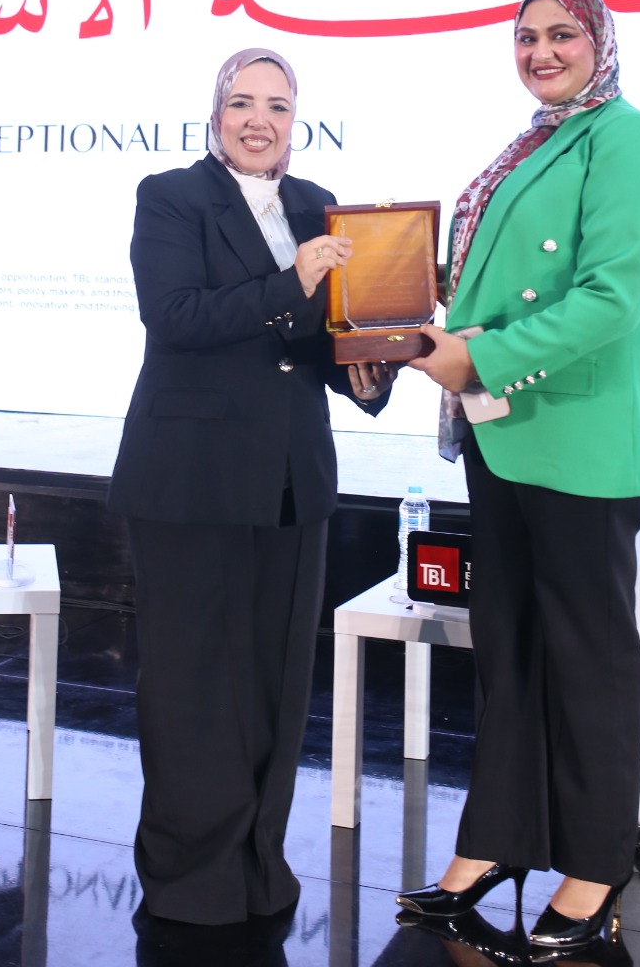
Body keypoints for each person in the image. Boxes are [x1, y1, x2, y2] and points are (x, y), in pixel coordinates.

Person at [395, 0, 640, 955]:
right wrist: (396, 297)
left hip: (579, 430)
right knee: (509, 647)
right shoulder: (534, 141)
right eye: (526, 36)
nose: (541, 50)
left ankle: (596, 864)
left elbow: (610, 298)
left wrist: (478, 358)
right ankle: (495, 841)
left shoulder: (628, 139)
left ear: (599, 42)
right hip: (508, 427)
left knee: (587, 656)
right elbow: (489, 279)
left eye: (562, 34)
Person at [109, 47, 393, 928]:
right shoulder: (170, 196)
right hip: (189, 482)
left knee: (277, 684)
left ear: (296, 118)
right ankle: (191, 885)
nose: (259, 120)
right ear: (216, 113)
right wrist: (293, 280)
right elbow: (177, 318)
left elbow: (320, 340)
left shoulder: (316, 204)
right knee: (193, 688)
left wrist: (370, 366)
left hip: (291, 480)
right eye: (242, 102)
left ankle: (259, 872)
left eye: (277, 104)